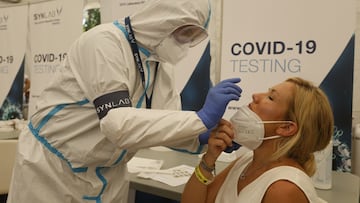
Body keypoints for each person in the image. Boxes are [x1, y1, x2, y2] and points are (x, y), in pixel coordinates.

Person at [6, 0, 243, 202]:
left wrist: (202, 136)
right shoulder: (103, 43)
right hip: (53, 171)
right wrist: (200, 118)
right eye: (184, 32)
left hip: (109, 176)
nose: (184, 42)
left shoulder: (160, 63)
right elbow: (117, 124)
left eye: (192, 37)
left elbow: (164, 126)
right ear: (163, 17)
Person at [182, 77, 334, 203]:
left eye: (270, 97)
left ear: (286, 127)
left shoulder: (283, 189)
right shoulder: (248, 161)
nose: (255, 95)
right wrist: (209, 159)